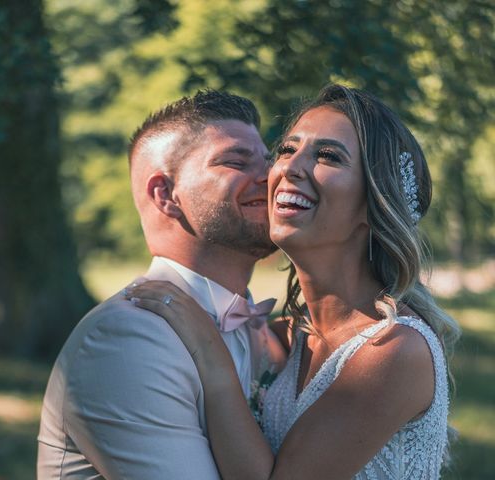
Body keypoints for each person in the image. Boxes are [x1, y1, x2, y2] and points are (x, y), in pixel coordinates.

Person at [127, 84, 461, 479]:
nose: (287, 168)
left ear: (375, 203)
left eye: (328, 156)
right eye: (287, 150)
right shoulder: (284, 339)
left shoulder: (394, 350)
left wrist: (207, 346)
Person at [37, 89, 287, 479]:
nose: (272, 176)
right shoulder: (127, 338)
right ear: (166, 194)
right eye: (236, 161)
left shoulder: (256, 328)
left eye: (269, 160)